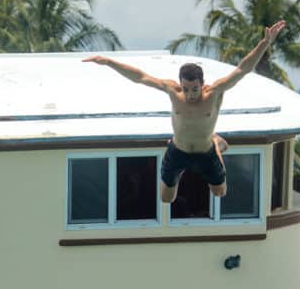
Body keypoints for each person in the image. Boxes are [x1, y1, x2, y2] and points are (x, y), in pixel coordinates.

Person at [83, 21, 285, 202]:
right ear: (180, 84)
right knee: (166, 199)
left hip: (205, 152)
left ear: (202, 84)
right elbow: (140, 77)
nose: (190, 95)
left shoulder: (214, 93)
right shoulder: (173, 91)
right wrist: (109, 62)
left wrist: (265, 43)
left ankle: (215, 142)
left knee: (220, 193)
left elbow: (243, 69)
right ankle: (194, 157)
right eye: (186, 89)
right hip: (178, 151)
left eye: (194, 89)